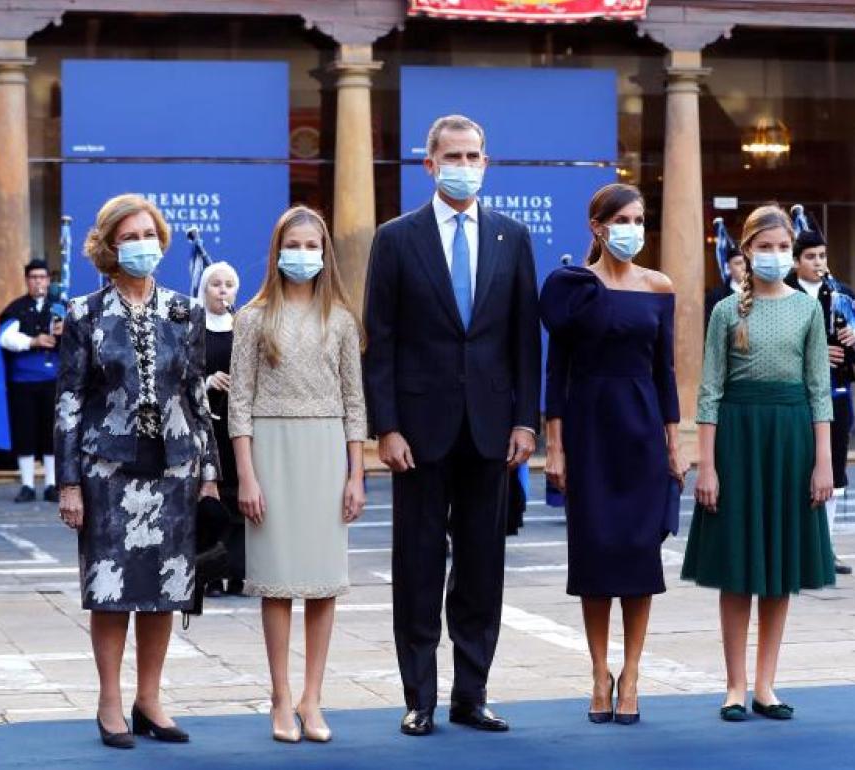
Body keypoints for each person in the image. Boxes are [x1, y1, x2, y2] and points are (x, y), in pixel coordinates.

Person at [363, 114, 541, 737]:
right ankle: (420, 698)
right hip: (418, 431)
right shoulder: (396, 238)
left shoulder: (512, 237)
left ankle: (472, 693)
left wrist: (526, 420)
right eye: (453, 155)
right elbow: (379, 341)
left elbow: (524, 338)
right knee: (416, 565)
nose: (465, 165)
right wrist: (385, 426)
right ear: (429, 164)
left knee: (482, 564)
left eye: (474, 155)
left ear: (486, 163)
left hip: (491, 430)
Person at [55, 193, 220, 750]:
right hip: (107, 470)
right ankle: (108, 701)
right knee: (112, 588)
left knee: (166, 588)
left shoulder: (185, 312)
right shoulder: (84, 314)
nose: (142, 245)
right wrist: (70, 482)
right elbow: (70, 402)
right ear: (108, 245)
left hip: (175, 467)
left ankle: (150, 699)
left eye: (149, 235)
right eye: (130, 237)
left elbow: (197, 396)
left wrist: (211, 473)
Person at [681, 204, 834, 723]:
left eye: (782, 248)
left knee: (779, 566)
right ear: (745, 252)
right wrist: (707, 465)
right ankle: (734, 685)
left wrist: (823, 463)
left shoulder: (808, 309)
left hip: (790, 439)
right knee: (737, 568)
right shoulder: (726, 311)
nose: (775, 256)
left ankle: (767, 684)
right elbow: (709, 391)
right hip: (738, 439)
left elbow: (819, 389)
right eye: (764, 248)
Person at [541, 183, 685, 726]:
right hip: (589, 430)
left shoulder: (659, 286)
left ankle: (633, 673)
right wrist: (555, 446)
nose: (633, 228)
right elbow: (557, 370)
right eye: (622, 219)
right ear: (597, 226)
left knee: (639, 558)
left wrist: (675, 443)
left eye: (640, 218)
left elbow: (665, 371)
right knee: (596, 556)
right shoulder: (574, 287)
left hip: (643, 430)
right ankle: (599, 673)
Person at [229, 206, 367, 744]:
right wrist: (246, 475)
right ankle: (280, 696)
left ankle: (313, 696)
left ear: (325, 252)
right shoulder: (252, 317)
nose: (303, 255)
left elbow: (355, 404)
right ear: (276, 249)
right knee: (277, 583)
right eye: (294, 245)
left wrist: (356, 475)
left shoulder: (341, 319)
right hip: (271, 451)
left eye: (313, 246)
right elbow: (239, 402)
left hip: (327, 451)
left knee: (323, 584)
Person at [785, 207, 855, 576]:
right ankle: (794, 548)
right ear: (795, 261)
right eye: (810, 257)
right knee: (796, 469)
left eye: (822, 256)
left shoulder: (840, 292)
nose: (818, 262)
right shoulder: (783, 292)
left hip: (837, 393)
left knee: (834, 471)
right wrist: (811, 353)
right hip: (793, 396)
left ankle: (825, 548)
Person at [0, 259, 62, 503]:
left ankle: (51, 484)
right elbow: (6, 338)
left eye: (42, 277)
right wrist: (33, 341)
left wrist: (66, 331)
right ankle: (28, 485)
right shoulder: (16, 308)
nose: (38, 281)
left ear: (49, 280)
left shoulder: (61, 308)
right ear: (27, 280)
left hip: (53, 381)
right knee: (25, 432)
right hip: (23, 382)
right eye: (33, 277)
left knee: (51, 433)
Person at [197, 261, 245, 598]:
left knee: (240, 496)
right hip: (205, 426)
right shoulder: (192, 329)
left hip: (238, 426)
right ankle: (211, 573)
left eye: (229, 284)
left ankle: (238, 572)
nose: (223, 290)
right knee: (210, 497)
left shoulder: (244, 327)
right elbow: (179, 380)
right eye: (216, 284)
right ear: (204, 289)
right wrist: (207, 383)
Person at [704, 239, 747, 331]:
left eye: (747, 262)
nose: (744, 267)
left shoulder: (762, 292)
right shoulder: (716, 296)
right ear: (728, 267)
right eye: (738, 263)